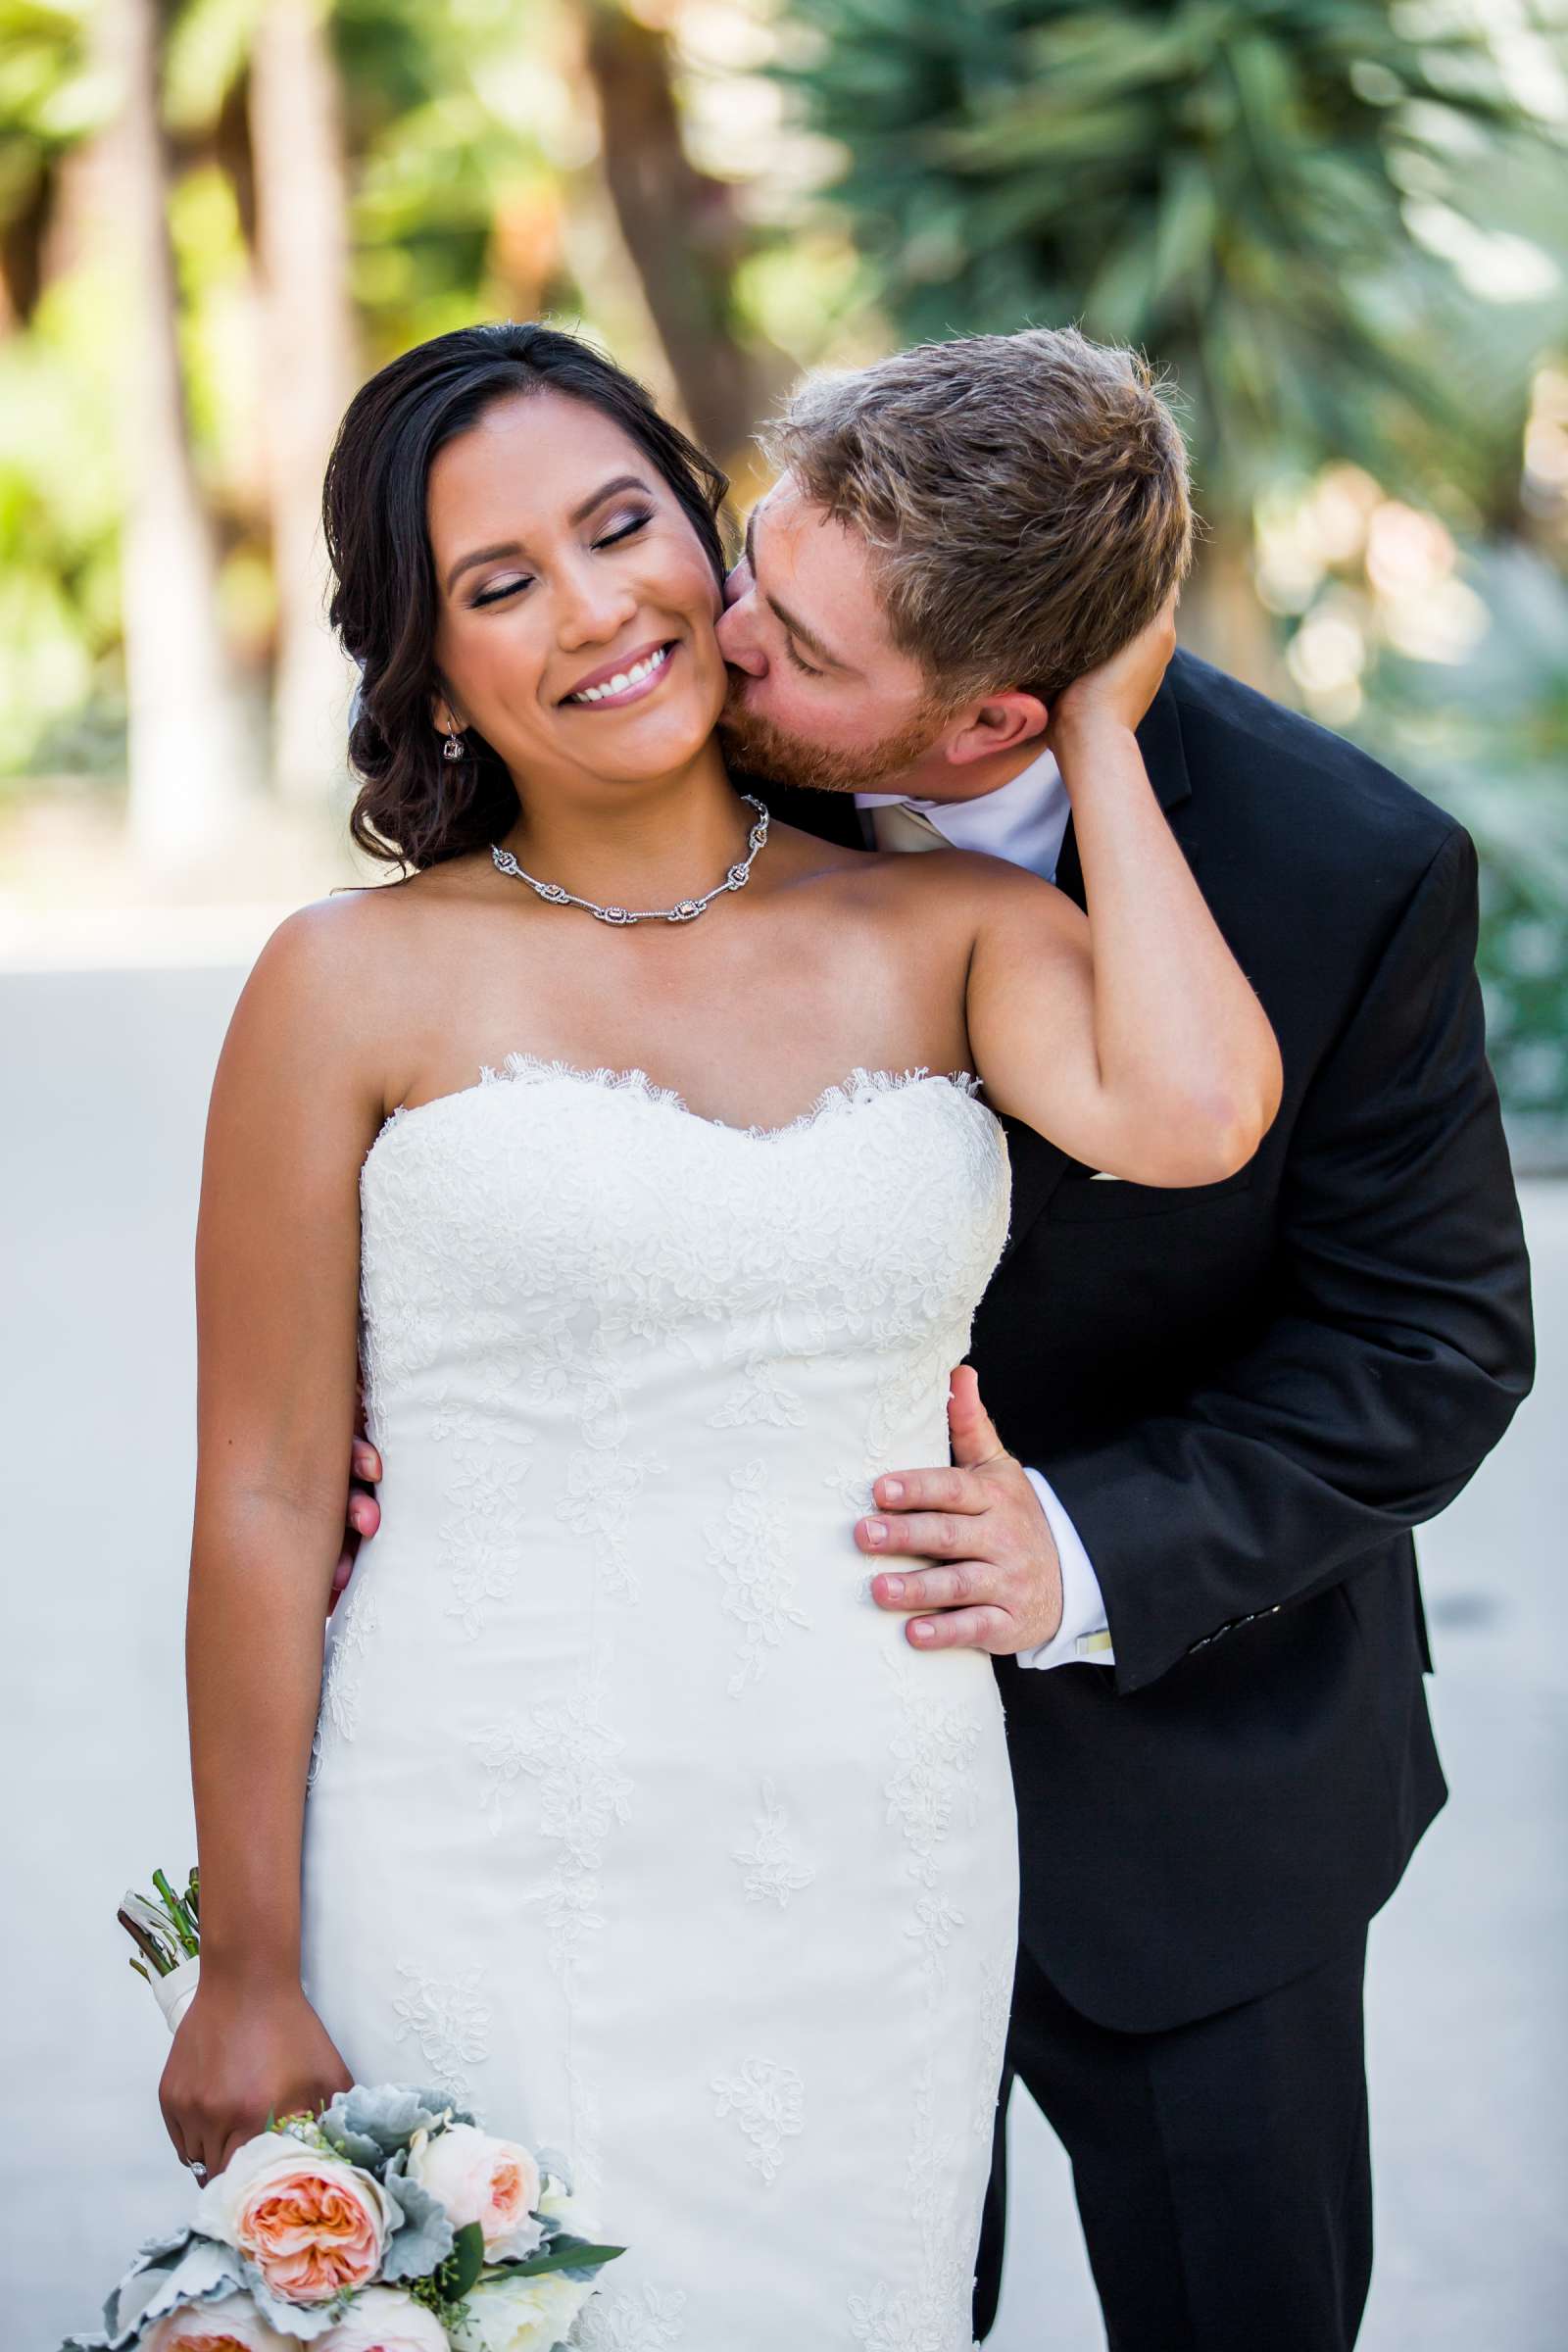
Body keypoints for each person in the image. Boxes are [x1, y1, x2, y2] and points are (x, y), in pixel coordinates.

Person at [337, 322, 1537, 2352]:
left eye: (799, 651)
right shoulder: (654, 724)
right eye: (750, 568)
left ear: (992, 717)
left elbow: (1429, 1341)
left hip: (1189, 1792)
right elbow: (479, 1114)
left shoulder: (1346, 871)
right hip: (713, 1798)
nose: (719, 644)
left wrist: (1077, 1550)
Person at [160, 320, 1279, 2349]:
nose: (595, 608)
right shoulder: (342, 985)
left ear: (708, 530)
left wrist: (1092, 718)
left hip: (869, 1852)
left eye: (618, 526)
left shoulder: (944, 932)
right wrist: (249, 1963)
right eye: (501, 586)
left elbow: (1194, 1116)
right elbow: (255, 1488)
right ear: (423, 664)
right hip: (475, 1833)